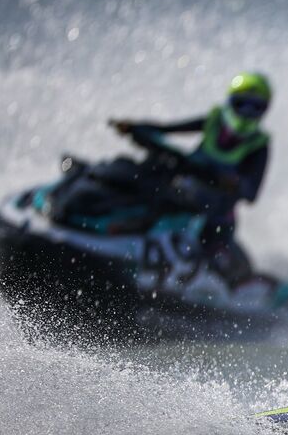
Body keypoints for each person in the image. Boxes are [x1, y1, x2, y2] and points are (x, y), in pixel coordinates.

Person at [108, 72, 273, 282]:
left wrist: (234, 183)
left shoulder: (259, 145)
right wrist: (134, 127)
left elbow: (252, 193)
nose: (247, 113)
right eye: (242, 104)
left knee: (216, 253)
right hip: (183, 197)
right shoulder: (214, 122)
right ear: (231, 102)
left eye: (255, 107)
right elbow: (167, 129)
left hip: (215, 216)